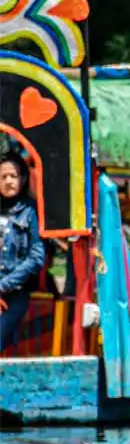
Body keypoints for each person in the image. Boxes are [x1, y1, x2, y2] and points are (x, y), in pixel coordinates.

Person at [0, 148, 47, 353]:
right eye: (3, 177)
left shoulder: (31, 211)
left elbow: (37, 257)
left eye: (14, 176)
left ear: (23, 178)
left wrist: (3, 285)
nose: (9, 181)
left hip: (14, 291)